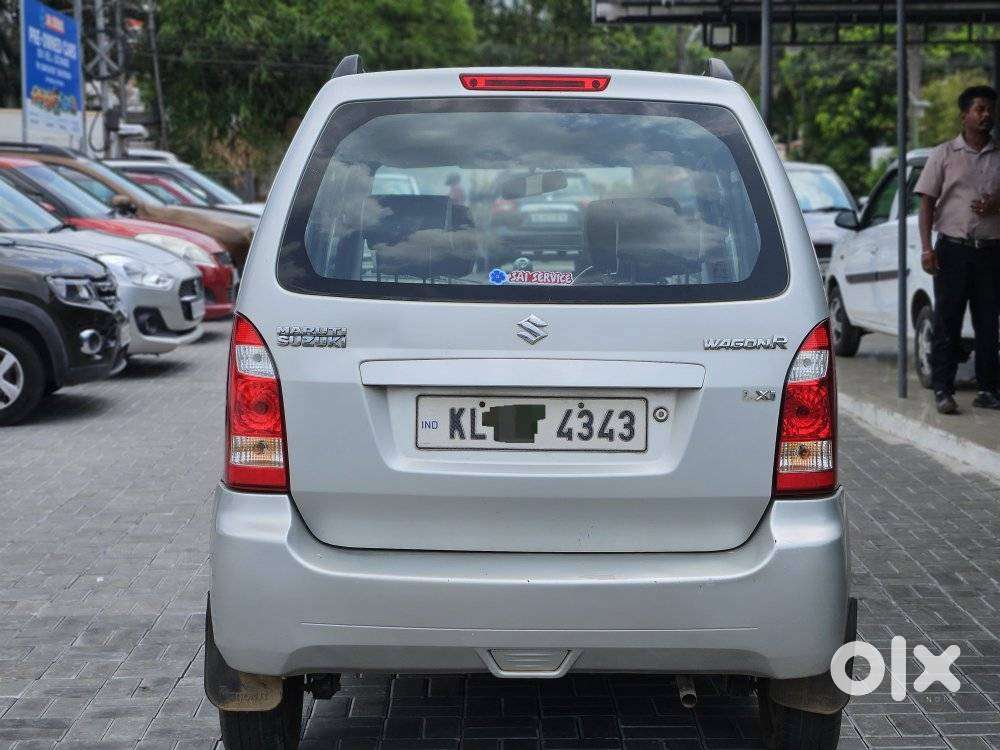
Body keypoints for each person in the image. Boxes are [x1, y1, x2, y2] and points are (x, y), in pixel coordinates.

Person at [915, 85, 1000, 415]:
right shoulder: (945, 154)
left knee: (988, 323)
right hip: (952, 250)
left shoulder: (998, 155)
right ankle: (943, 389)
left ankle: (989, 389)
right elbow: (927, 203)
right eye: (979, 109)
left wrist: (996, 204)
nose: (986, 114)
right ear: (964, 115)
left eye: (990, 109)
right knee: (947, 322)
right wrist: (926, 249)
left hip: (991, 253)